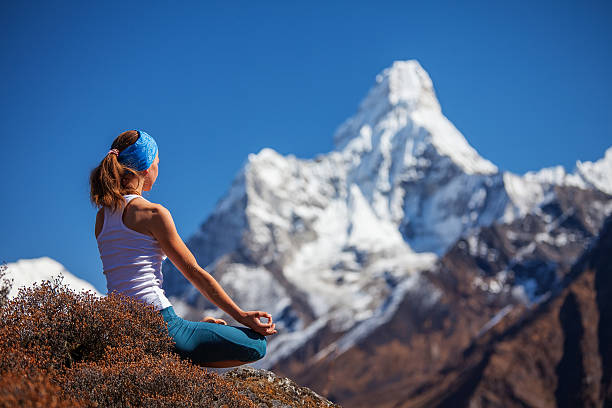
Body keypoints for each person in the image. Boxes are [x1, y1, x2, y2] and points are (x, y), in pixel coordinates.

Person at [90, 129, 276, 368]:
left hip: (121, 330)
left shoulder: (102, 219)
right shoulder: (154, 213)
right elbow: (193, 271)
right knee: (256, 345)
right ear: (146, 169)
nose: (158, 168)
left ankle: (194, 339)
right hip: (161, 324)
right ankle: (185, 363)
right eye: (157, 162)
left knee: (199, 331)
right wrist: (241, 315)